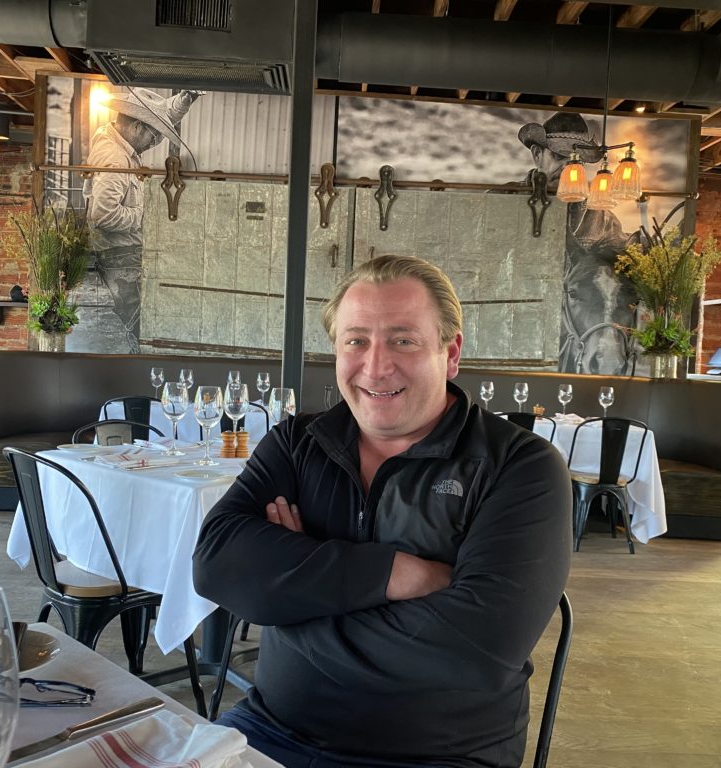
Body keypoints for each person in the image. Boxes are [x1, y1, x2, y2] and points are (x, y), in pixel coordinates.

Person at [193, 255, 572, 768]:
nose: (375, 366)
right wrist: (393, 574)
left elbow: (478, 649)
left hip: (437, 756)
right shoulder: (295, 444)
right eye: (356, 341)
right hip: (271, 727)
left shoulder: (519, 466)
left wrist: (289, 602)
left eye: (403, 340)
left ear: (450, 353)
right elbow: (215, 564)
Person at [82, 87, 201, 353]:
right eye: (153, 135)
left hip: (124, 258)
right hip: (121, 261)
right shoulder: (115, 159)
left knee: (145, 329)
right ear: (137, 127)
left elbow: (160, 115)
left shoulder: (117, 143)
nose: (153, 142)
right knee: (143, 332)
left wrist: (184, 100)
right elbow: (103, 215)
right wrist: (143, 216)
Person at [519, 112, 639, 375]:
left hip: (578, 344)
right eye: (560, 157)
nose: (568, 168)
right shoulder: (503, 202)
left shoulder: (603, 218)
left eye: (577, 162)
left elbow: (618, 274)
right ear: (537, 154)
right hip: (518, 333)